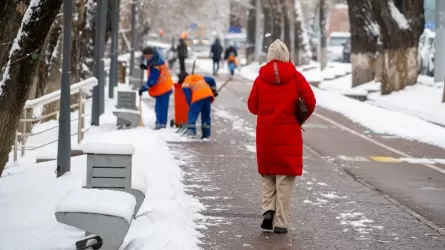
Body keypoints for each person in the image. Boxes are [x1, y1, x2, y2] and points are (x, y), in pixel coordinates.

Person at [247, 39, 316, 233]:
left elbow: (252, 107)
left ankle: (268, 211)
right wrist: (299, 118)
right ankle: (281, 222)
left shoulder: (260, 79)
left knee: (267, 174)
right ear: (286, 56)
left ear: (269, 56)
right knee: (284, 179)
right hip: (289, 134)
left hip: (266, 134)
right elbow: (310, 101)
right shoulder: (296, 78)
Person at [139, 46, 173, 130]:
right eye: (145, 56)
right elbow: (155, 72)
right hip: (165, 88)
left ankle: (160, 126)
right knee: (161, 108)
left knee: (160, 109)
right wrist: (146, 67)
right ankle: (161, 125)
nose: (146, 58)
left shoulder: (155, 64)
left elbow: (152, 81)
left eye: (147, 56)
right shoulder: (157, 60)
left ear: (152, 55)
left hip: (163, 89)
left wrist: (142, 88)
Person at [178, 72, 218, 140]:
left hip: (198, 97)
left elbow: (188, 96)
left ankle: (191, 132)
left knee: (192, 115)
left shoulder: (185, 83)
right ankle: (206, 135)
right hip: (208, 96)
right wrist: (214, 91)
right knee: (206, 116)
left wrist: (190, 106)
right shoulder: (198, 77)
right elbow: (211, 80)